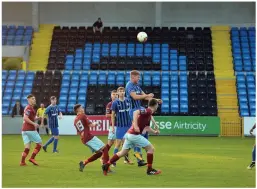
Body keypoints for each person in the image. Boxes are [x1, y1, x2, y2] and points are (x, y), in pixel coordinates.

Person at [102, 99, 161, 176]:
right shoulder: (148, 111)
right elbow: (135, 112)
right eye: (157, 105)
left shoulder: (148, 114)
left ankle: (106, 165)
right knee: (151, 149)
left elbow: (146, 127)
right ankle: (149, 170)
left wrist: (154, 131)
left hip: (129, 134)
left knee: (122, 153)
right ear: (155, 105)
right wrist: (136, 125)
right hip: (134, 135)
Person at [125, 70, 162, 166]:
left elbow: (145, 97)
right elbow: (135, 97)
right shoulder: (129, 85)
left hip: (139, 108)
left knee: (144, 132)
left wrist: (156, 100)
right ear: (133, 77)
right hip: (133, 111)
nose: (139, 78)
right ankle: (137, 156)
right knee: (137, 133)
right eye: (138, 77)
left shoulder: (137, 86)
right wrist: (147, 95)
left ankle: (137, 156)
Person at [73, 104, 110, 174]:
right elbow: (91, 125)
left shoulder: (75, 120)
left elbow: (79, 131)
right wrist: (96, 123)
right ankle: (106, 169)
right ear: (78, 110)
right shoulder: (83, 116)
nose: (83, 109)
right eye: (81, 108)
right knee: (105, 148)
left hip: (84, 139)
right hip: (89, 137)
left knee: (99, 153)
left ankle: (84, 163)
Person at [111, 87, 133, 167]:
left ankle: (126, 159)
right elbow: (113, 115)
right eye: (120, 91)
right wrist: (113, 127)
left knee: (128, 143)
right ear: (117, 93)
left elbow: (132, 111)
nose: (122, 92)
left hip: (129, 125)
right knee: (118, 144)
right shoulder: (115, 103)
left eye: (123, 91)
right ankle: (113, 161)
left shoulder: (128, 100)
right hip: (120, 126)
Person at [20, 94, 42, 166]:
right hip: (30, 129)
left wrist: (37, 118)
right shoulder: (29, 108)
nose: (34, 100)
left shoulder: (30, 108)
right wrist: (34, 124)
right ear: (28, 100)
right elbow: (25, 118)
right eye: (32, 99)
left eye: (34, 99)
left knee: (27, 148)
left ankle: (22, 162)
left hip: (24, 130)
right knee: (39, 144)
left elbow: (31, 118)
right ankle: (32, 158)